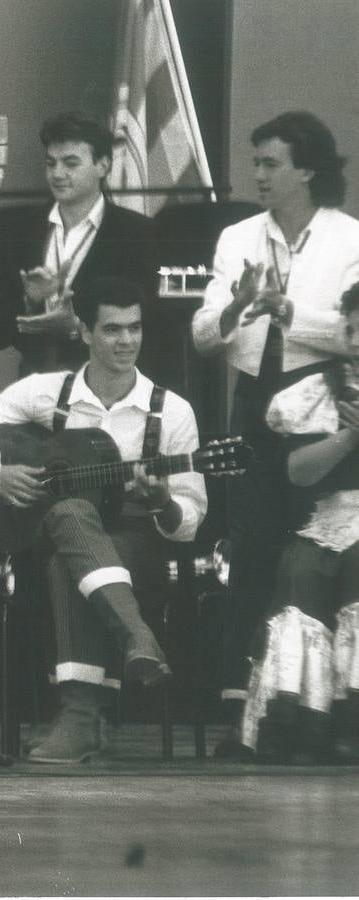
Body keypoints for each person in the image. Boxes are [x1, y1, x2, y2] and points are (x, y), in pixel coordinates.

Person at [191, 111, 359, 756]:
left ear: (308, 170)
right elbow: (207, 335)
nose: (257, 174)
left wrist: (287, 309)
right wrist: (237, 305)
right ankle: (248, 719)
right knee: (251, 551)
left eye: (271, 163)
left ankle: (323, 714)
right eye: (256, 162)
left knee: (317, 557)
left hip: (326, 405)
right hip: (253, 408)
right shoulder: (238, 238)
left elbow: (353, 335)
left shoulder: (348, 240)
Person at [0, 276, 206, 763]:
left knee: (70, 549)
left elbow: (189, 519)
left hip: (137, 546)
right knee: (70, 515)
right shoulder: (44, 393)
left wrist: (162, 502)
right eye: (111, 329)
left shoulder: (171, 412)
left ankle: (81, 719)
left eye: (134, 328)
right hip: (50, 540)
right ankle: (137, 638)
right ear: (84, 332)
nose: (126, 341)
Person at [241, 282, 359, 762]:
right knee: (302, 569)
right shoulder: (318, 391)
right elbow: (297, 472)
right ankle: (310, 725)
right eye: (353, 331)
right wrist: (350, 436)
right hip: (332, 517)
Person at [0, 111, 157, 376]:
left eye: (70, 163)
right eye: (51, 163)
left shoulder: (136, 233)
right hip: (34, 385)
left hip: (103, 388)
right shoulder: (16, 229)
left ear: (103, 166)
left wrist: (76, 326)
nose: (57, 173)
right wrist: (29, 300)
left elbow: (148, 327)